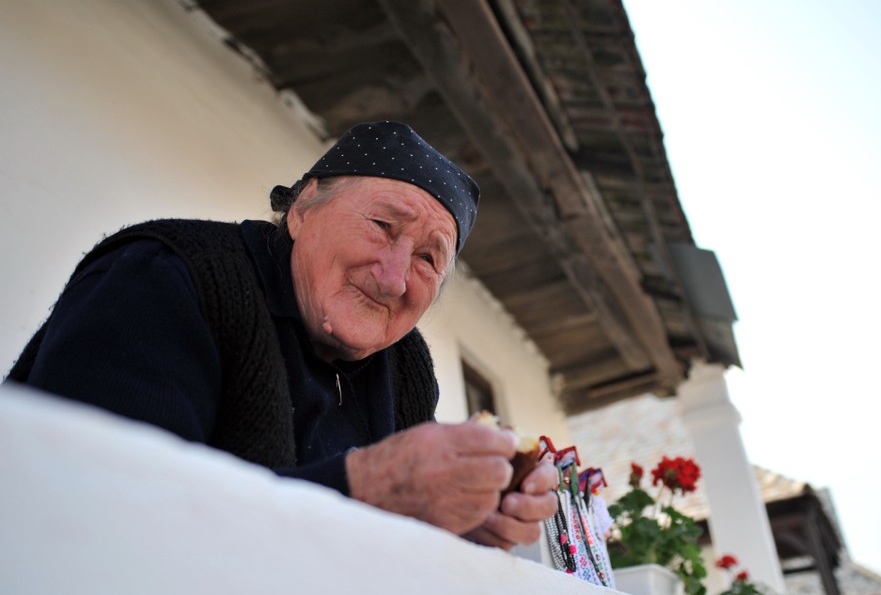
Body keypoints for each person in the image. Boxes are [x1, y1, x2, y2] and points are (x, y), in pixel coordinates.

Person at [6, 120, 557, 549]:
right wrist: (366, 485)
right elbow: (99, 511)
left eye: (427, 259)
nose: (393, 278)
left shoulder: (405, 364)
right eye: (382, 226)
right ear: (302, 209)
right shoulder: (167, 278)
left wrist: (462, 520)